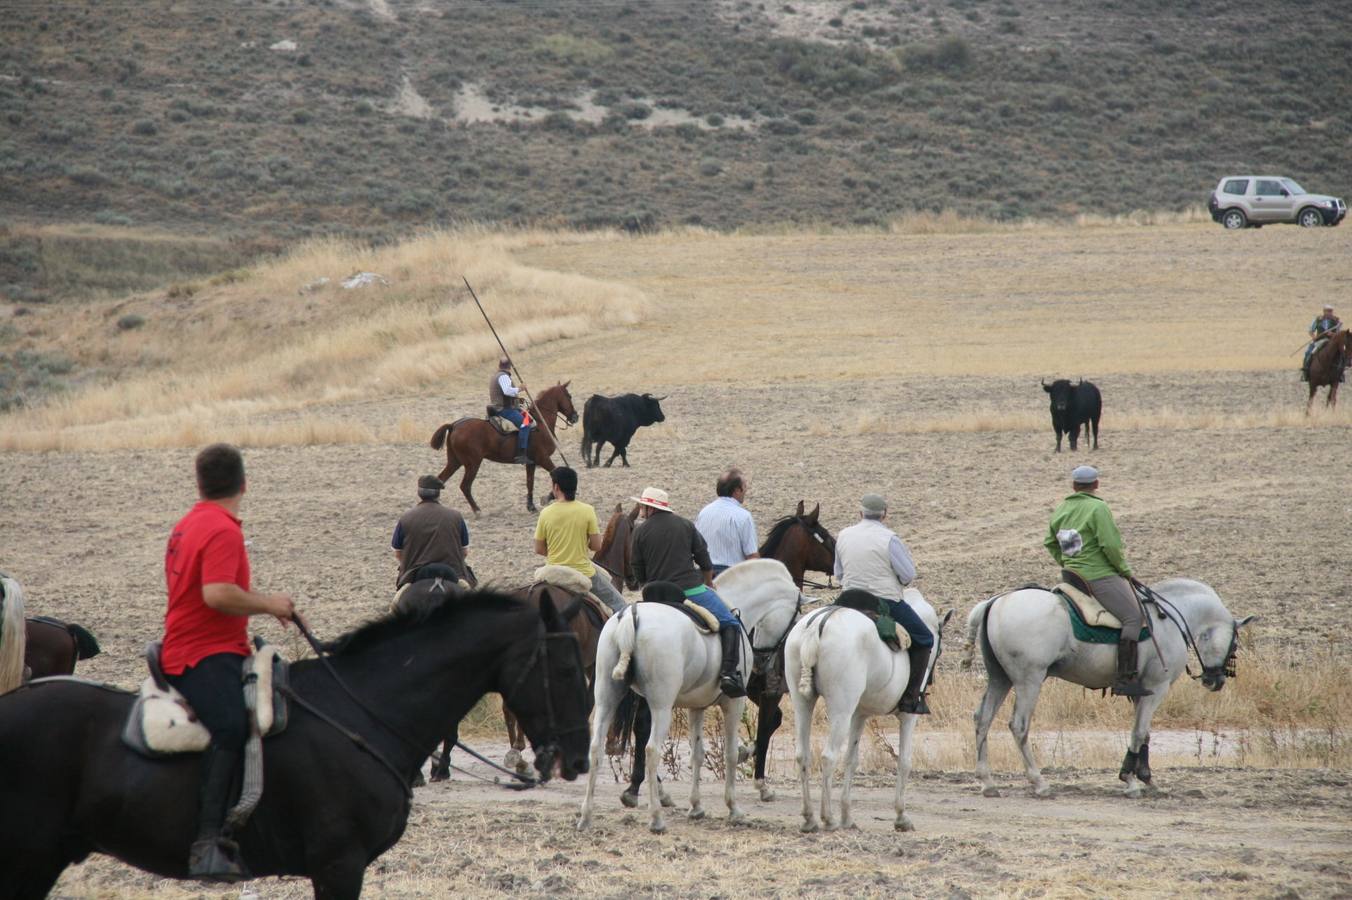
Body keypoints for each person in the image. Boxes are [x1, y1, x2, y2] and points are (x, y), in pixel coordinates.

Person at [162, 444, 294, 881]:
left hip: (213, 644)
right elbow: (216, 594)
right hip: (199, 652)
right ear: (244, 484)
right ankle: (207, 843)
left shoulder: (188, 524)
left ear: (200, 483)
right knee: (232, 727)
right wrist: (271, 603)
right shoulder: (222, 530)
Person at [628, 486, 746, 698]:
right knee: (730, 622)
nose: (642, 510)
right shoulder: (685, 525)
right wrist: (709, 583)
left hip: (655, 595)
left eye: (643, 506)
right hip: (690, 590)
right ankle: (729, 673)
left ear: (650, 508)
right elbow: (704, 559)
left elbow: (637, 568)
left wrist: (649, 586)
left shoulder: (639, 531)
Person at [1044, 465, 1149, 698]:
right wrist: (1125, 570)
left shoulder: (1061, 508)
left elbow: (1049, 542)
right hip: (1099, 577)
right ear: (1096, 485)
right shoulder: (1098, 507)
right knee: (1133, 617)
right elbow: (1110, 545)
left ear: (1073, 485)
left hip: (1072, 577)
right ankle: (1125, 678)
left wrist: (1066, 561)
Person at [833, 493, 934, 714]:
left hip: (847, 599)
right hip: (883, 601)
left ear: (860, 513)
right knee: (925, 639)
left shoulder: (843, 535)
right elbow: (908, 575)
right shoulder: (889, 538)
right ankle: (910, 699)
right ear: (884, 515)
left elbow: (838, 573)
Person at [533, 466, 626, 613]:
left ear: (556, 487)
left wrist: (558, 551)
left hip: (553, 572)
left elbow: (539, 549)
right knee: (622, 606)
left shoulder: (545, 513)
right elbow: (596, 546)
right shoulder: (587, 510)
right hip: (583, 572)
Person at [391, 475, 471, 592]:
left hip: (415, 572)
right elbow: (464, 552)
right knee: (473, 604)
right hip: (452, 571)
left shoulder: (405, 518)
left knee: (395, 607)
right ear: (438, 494)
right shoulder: (456, 516)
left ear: (419, 493)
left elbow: (398, 554)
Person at [694, 467, 760, 576]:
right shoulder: (743, 516)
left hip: (702, 575)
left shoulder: (704, 512)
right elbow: (752, 557)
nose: (746, 490)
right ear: (737, 490)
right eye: (744, 487)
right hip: (730, 577)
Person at [489, 356, 532, 464]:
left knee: (527, 416)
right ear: (510, 367)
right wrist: (520, 388)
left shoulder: (497, 375)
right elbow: (507, 391)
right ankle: (521, 455)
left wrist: (517, 400)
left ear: (499, 365)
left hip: (505, 407)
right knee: (525, 424)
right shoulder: (503, 376)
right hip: (504, 409)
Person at [1304, 305, 1344, 381]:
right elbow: (1310, 330)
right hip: (1319, 340)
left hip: (1332, 341)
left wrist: (1332, 334)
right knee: (1308, 352)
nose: (1329, 313)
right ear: (1324, 311)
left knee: (1341, 353)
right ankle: (1306, 370)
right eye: (1327, 311)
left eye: (1330, 311)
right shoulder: (1318, 320)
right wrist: (1314, 337)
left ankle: (1341, 373)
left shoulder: (1337, 321)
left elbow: (1339, 333)